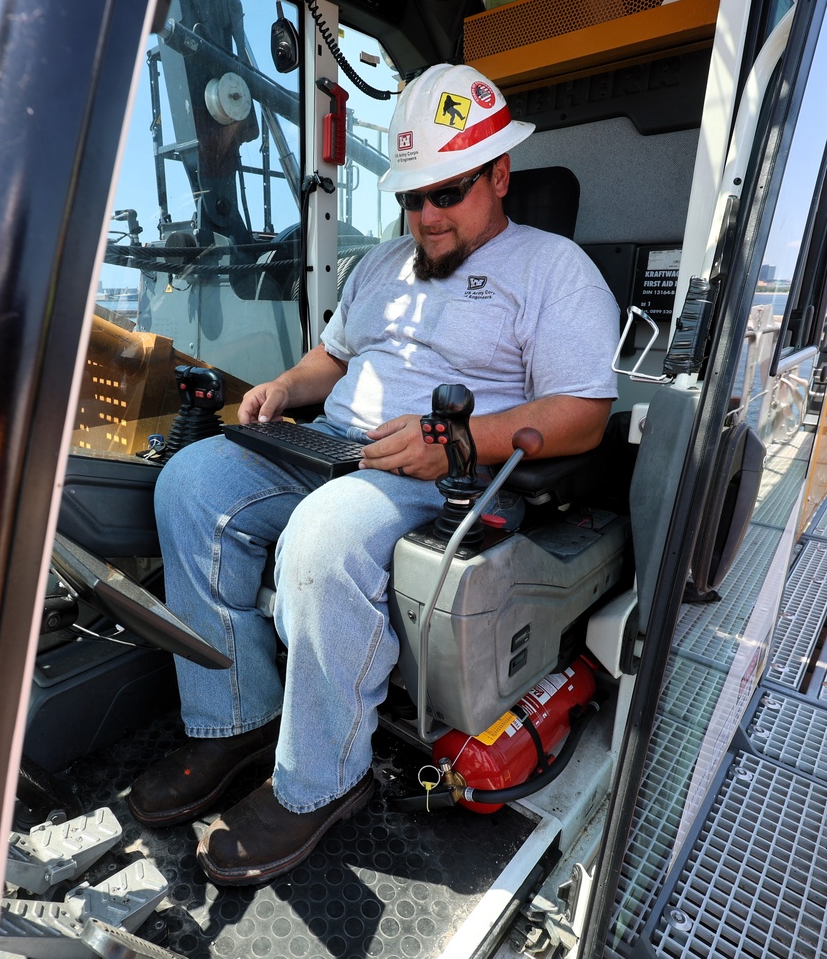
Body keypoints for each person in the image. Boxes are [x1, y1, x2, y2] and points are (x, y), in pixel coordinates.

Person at [129, 63, 620, 885]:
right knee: (189, 483)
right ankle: (236, 719)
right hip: (331, 441)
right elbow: (333, 355)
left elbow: (584, 411)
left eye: (447, 192)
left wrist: (456, 443)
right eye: (411, 197)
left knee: (319, 540)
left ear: (500, 175)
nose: (425, 215)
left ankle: (322, 779)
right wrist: (287, 386)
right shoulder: (384, 266)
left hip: (438, 472)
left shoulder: (552, 269)